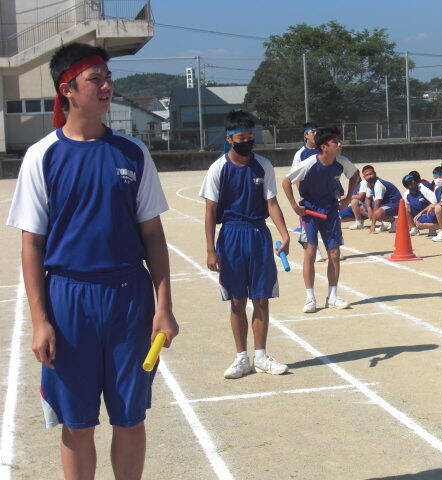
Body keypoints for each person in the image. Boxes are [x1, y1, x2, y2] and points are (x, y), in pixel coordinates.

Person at [6, 43, 179, 480]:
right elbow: (32, 245)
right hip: (68, 299)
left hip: (128, 297)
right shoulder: (43, 155)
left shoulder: (132, 152)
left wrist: (164, 306)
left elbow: (153, 235)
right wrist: (40, 321)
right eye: (95, 79)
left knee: (130, 417)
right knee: (77, 423)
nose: (106, 86)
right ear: (67, 89)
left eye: (108, 78)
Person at [200, 109, 290, 379]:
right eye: (241, 137)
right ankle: (241, 358)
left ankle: (261, 356)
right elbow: (210, 210)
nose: (247, 142)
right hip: (231, 235)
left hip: (258, 234)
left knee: (261, 297)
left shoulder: (263, 165)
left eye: (251, 136)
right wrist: (210, 250)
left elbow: (271, 202)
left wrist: (284, 233)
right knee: (237, 300)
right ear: (229, 139)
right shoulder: (218, 168)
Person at [282, 127, 359, 313]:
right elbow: (286, 182)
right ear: (324, 147)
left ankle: (332, 297)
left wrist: (348, 198)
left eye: (339, 141)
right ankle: (310, 297)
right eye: (335, 142)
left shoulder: (342, 162)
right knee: (310, 252)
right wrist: (295, 206)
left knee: (334, 253)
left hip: (330, 210)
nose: (340, 145)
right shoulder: (309, 163)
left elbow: (355, 175)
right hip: (310, 211)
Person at [291, 122, 327, 260]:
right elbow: (295, 177)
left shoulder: (323, 149)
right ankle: (315, 250)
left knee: (327, 220)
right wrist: (302, 194)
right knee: (310, 224)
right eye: (313, 132)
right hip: (309, 196)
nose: (316, 134)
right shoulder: (300, 154)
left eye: (317, 131)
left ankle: (332, 248)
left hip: (325, 193)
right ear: (306, 135)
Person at [361, 165, 402, 233]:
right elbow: (367, 198)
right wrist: (369, 208)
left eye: (371, 174)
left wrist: (373, 225)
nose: (369, 176)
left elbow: (377, 203)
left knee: (378, 213)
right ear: (364, 177)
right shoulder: (369, 184)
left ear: (375, 173)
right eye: (367, 175)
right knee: (362, 208)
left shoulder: (379, 184)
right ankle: (386, 223)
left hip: (395, 204)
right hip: (385, 205)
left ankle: (394, 221)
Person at [402, 171, 437, 236]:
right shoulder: (406, 194)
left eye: (413, 181)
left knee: (432, 207)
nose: (413, 183)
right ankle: (414, 229)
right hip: (418, 212)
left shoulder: (423, 190)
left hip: (429, 212)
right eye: (410, 182)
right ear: (406, 187)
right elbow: (406, 207)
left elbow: (435, 202)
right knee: (406, 209)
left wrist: (421, 213)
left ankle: (432, 229)